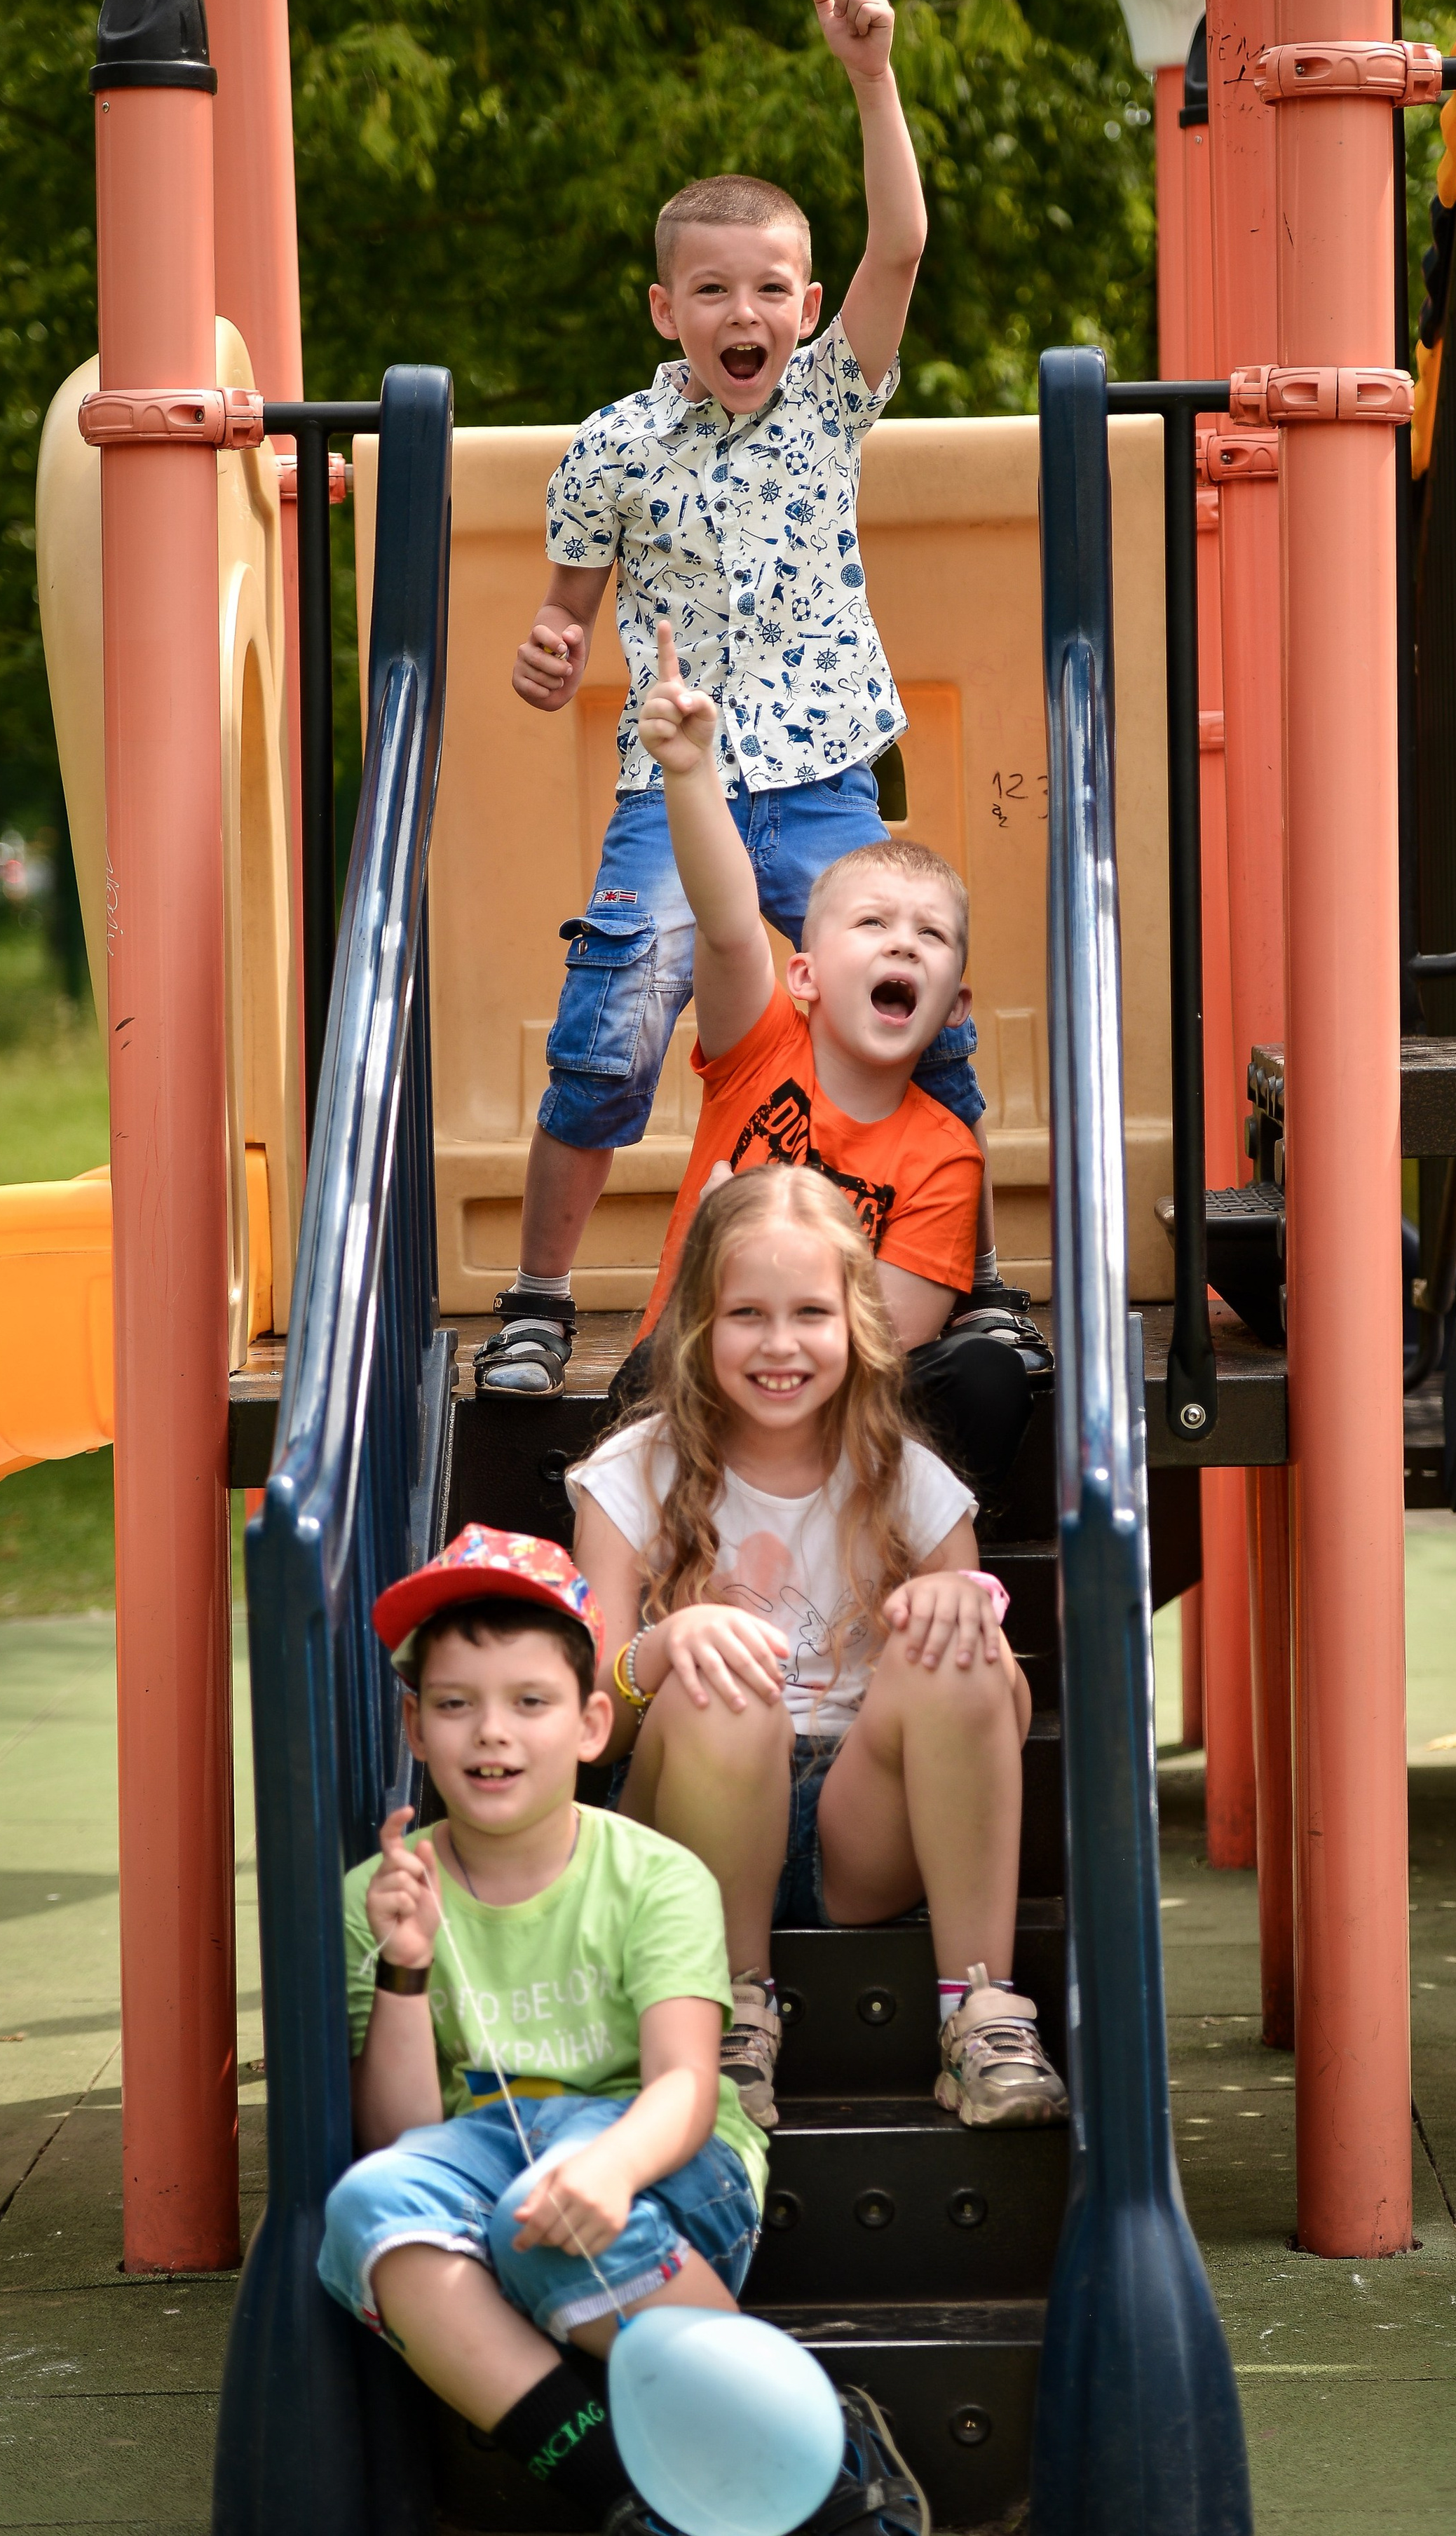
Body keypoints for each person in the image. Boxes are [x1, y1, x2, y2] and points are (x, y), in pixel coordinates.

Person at [479, 0, 1028, 1400]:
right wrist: (547, 648)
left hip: (831, 775)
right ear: (668, 313)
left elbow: (899, 243)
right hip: (682, 787)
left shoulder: (827, 399)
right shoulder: (611, 446)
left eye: (772, 289)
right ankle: (536, 1296)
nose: (747, 315)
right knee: (608, 1029)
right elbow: (564, 610)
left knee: (910, 1001)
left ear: (802, 307)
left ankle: (960, 1275)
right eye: (713, 292)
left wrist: (873, 74)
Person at [317, 1526, 925, 2536]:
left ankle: (822, 2458)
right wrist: (406, 1964)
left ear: (594, 1721)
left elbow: (687, 2084)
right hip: (492, 2167)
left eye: (530, 1701)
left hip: (665, 2166)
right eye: (457, 1704)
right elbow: (404, 2136)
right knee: (368, 2204)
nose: (491, 1733)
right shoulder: (380, 1896)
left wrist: (606, 2165)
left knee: (545, 2198)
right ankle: (627, 2493)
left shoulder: (654, 1873)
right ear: (417, 1728)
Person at [570, 1162, 1069, 2142]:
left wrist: (958, 1622)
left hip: (859, 1825)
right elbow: (589, 1721)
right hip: (685, 1817)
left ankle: (982, 2011)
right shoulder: (630, 1479)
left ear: (859, 1326)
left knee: (959, 1644)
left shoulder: (911, 1485)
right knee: (728, 1679)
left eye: (810, 1312)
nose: (781, 1343)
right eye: (747, 1313)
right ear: (699, 1325)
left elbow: (999, 1718)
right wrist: (666, 1645)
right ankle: (727, 2010)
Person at [611, 617, 1041, 1492]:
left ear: (953, 1006)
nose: (904, 946)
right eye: (873, 925)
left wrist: (749, 1242)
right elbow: (731, 924)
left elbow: (885, 1339)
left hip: (833, 1409)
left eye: (931, 935)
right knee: (649, 1375)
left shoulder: (943, 1154)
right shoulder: (761, 1047)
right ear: (802, 974)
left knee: (986, 1379)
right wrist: (690, 774)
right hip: (694, 1376)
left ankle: (859, 1550)